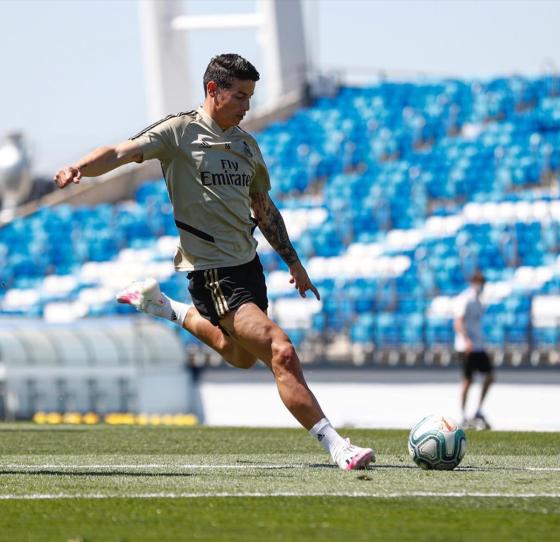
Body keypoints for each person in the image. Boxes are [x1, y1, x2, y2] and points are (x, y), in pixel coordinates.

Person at [53, 53, 374, 470]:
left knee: (240, 356)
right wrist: (79, 167)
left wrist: (293, 262)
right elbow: (118, 151)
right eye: (239, 95)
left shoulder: (246, 145)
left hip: (248, 267)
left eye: (250, 96)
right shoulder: (180, 131)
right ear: (212, 90)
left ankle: (165, 307)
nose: (246, 105)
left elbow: (264, 208)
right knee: (281, 351)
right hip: (212, 272)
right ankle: (338, 446)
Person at [453, 270, 494, 429]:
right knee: (467, 380)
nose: (481, 287)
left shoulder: (478, 301)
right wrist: (466, 340)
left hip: (478, 346)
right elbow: (458, 322)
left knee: (489, 377)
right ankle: (462, 414)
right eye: (480, 283)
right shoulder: (465, 299)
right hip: (466, 347)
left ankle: (478, 410)